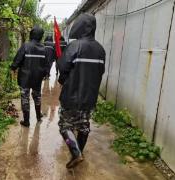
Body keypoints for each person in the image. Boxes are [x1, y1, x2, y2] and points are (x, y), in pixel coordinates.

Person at [57, 13, 106, 169]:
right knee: (84, 125)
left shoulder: (75, 45)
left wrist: (62, 80)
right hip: (89, 97)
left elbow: (63, 67)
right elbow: (100, 72)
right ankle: (79, 152)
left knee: (65, 126)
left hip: (71, 95)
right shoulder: (100, 50)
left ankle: (76, 153)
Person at [11, 26, 49, 127]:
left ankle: (26, 121)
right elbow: (46, 65)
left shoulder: (25, 46)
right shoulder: (43, 49)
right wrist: (45, 74)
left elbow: (17, 60)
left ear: (31, 34)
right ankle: (38, 116)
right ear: (41, 36)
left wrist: (13, 68)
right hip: (37, 78)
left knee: (25, 98)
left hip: (25, 78)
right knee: (37, 96)